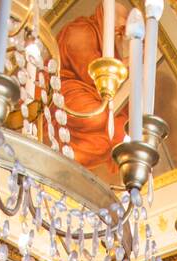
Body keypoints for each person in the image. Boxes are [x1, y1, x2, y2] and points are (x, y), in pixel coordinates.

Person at [57, 2, 130, 172]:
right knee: (96, 118)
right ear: (105, 18)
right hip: (66, 90)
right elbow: (90, 73)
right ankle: (65, 159)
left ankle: (71, 161)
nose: (121, 34)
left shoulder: (112, 48)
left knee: (121, 132)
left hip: (99, 96)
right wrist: (128, 63)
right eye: (119, 29)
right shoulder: (80, 31)